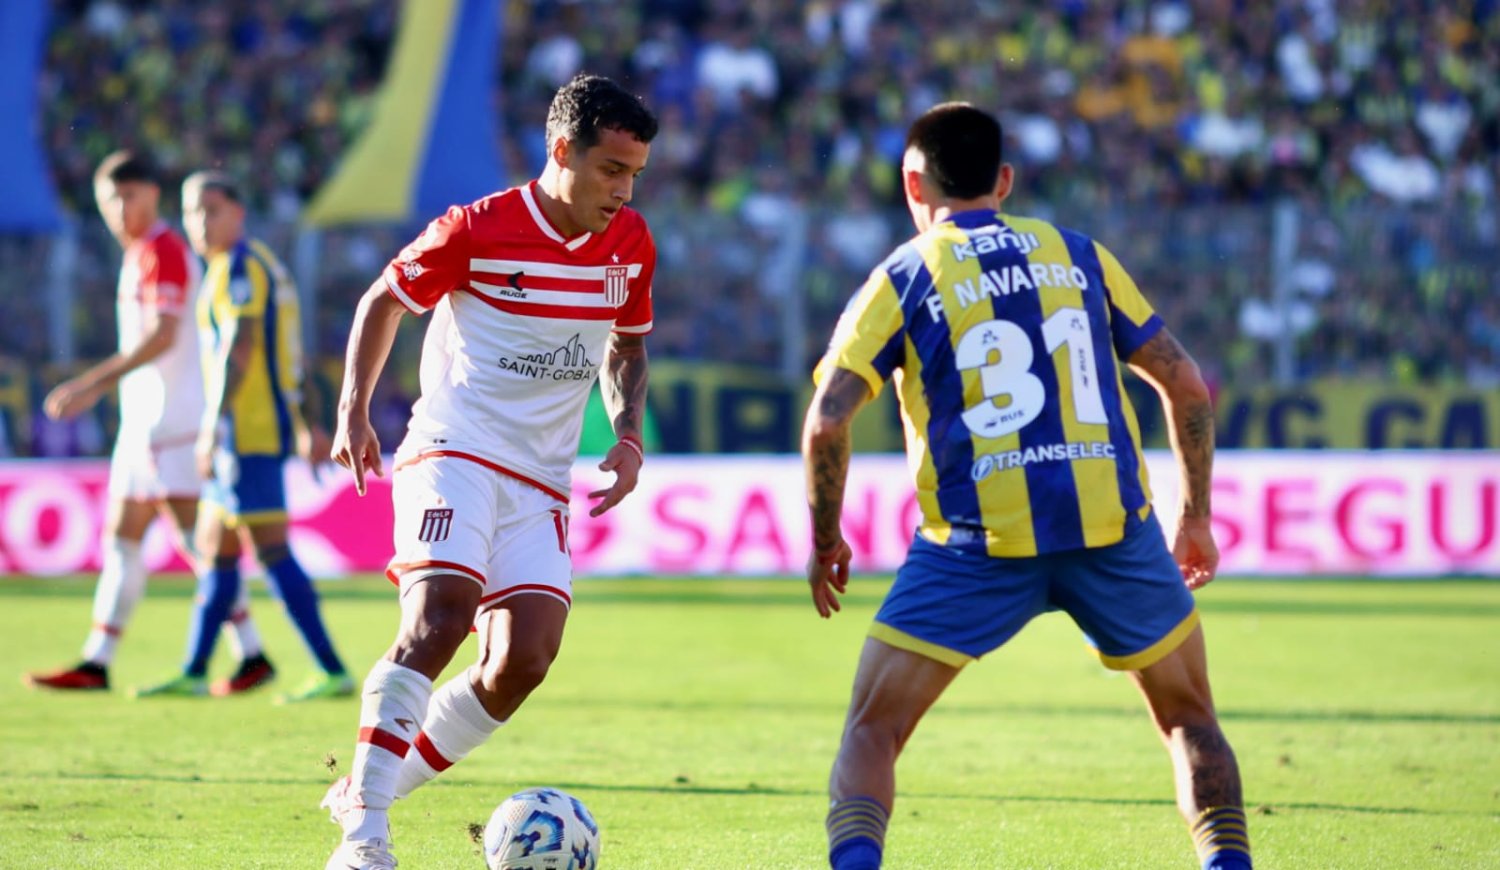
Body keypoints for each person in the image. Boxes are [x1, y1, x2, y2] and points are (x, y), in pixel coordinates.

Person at [802, 103, 1250, 870]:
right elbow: (1185, 384)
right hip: (1114, 534)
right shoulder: (1080, 255)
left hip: (976, 547)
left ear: (912, 182)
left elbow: (827, 423)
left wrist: (824, 541)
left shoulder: (905, 276)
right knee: (1189, 719)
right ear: (1003, 181)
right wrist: (1196, 517)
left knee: (873, 729)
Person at [319, 73, 658, 869]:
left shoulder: (632, 242)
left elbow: (628, 344)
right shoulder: (476, 228)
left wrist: (629, 434)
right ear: (561, 151)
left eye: (635, 173)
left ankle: (367, 787)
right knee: (440, 616)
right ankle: (365, 840)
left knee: (521, 662)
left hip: (541, 479)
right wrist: (352, 410)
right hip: (456, 449)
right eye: (611, 169)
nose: (623, 190)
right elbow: (383, 301)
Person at [24, 151, 267, 693]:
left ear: (153, 195)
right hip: (144, 425)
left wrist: (93, 383)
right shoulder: (141, 253)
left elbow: (163, 334)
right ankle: (97, 659)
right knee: (123, 536)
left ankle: (251, 651)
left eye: (128, 197)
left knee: (198, 542)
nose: (118, 210)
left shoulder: (164, 250)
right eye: (109, 201)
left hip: (172, 423)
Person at [133, 171, 352, 701]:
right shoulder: (244, 266)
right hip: (245, 432)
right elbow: (292, 354)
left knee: (271, 549)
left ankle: (332, 669)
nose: (199, 222)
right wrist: (308, 421)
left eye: (211, 210)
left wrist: (212, 425)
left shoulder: (239, 268)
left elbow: (244, 345)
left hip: (247, 433)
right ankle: (194, 670)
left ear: (238, 213)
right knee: (217, 550)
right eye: (191, 211)